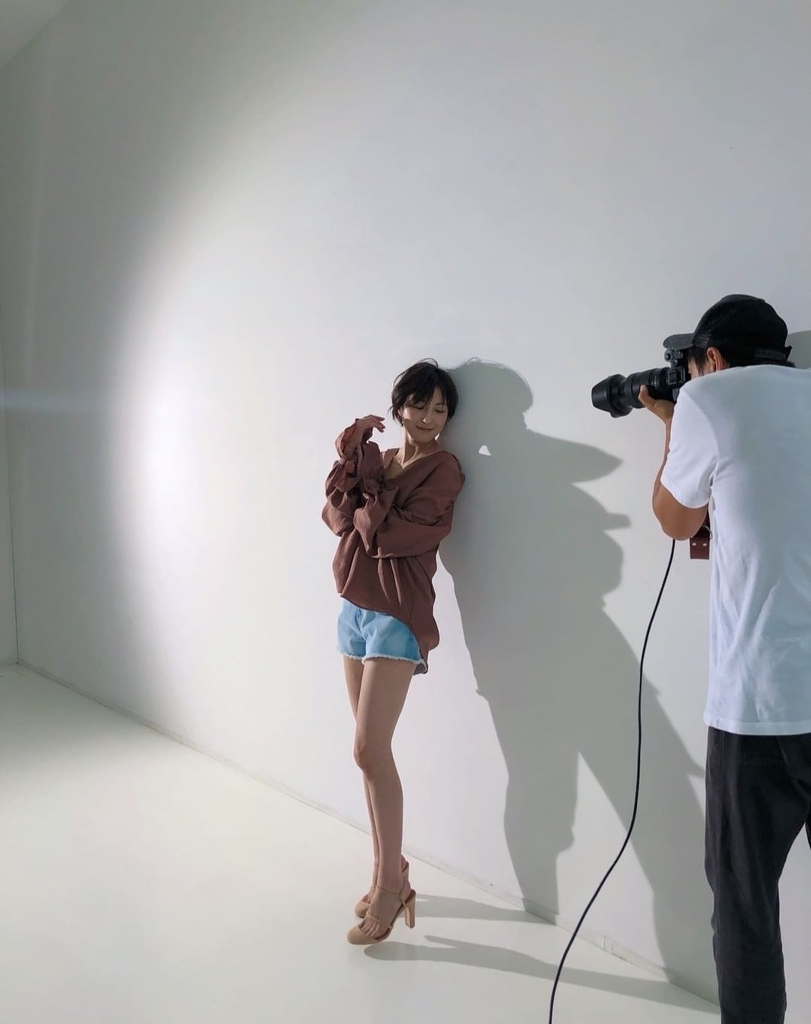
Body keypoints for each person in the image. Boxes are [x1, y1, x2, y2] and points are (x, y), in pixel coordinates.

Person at [639, 294, 811, 1023]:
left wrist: (671, 425)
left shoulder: (707, 398)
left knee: (744, 904)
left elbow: (676, 519)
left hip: (760, 704)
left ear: (710, 359)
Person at [322, 360, 464, 945]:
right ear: (399, 406)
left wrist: (368, 489)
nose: (429, 418)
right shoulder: (377, 463)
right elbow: (338, 517)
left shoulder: (444, 471)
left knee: (368, 747)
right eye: (419, 405)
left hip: (399, 615)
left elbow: (389, 537)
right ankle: (391, 871)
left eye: (440, 409)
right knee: (367, 757)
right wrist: (353, 461)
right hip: (354, 608)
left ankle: (388, 888)